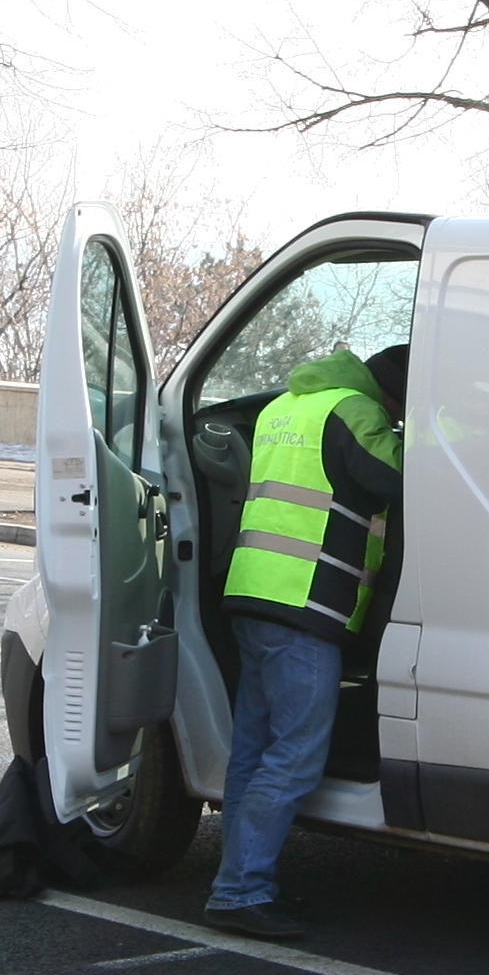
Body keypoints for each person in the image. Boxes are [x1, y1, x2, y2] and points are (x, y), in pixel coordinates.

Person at [207, 341, 406, 939]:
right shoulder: (355, 411)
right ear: (393, 395)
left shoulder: (284, 407)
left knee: (252, 753)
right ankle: (240, 891)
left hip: (254, 596)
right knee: (294, 757)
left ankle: (238, 882)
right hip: (305, 605)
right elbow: (397, 478)